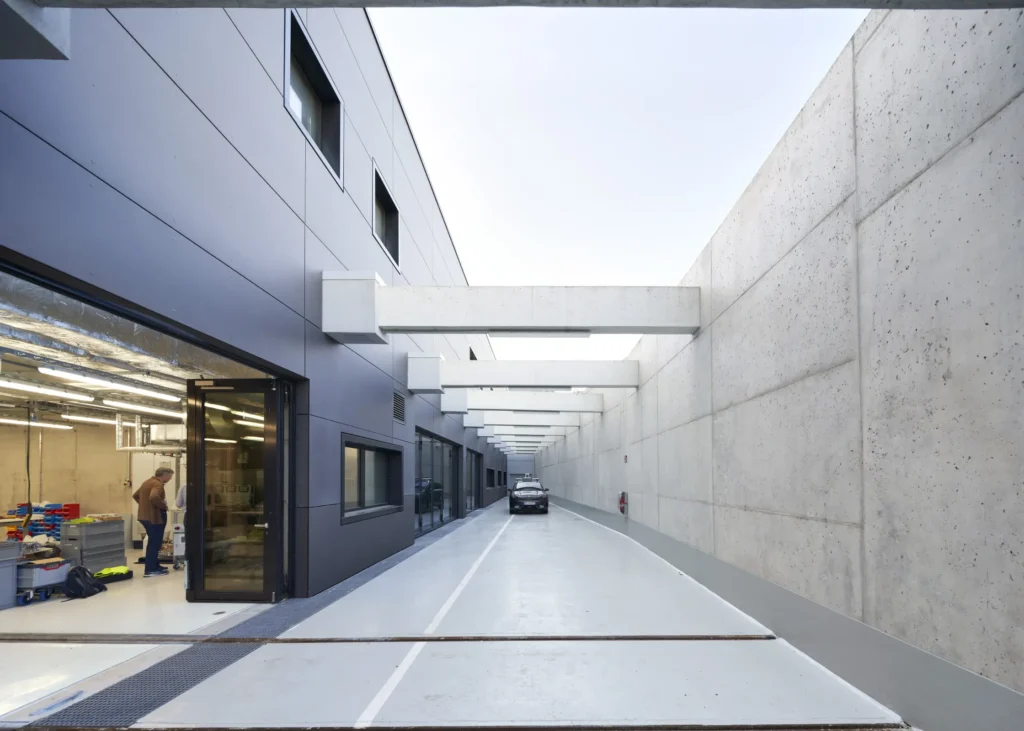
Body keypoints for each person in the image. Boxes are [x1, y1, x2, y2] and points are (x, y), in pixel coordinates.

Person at [133, 467, 173, 577]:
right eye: (170, 476)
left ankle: (155, 565)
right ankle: (150, 569)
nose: (170, 479)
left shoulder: (147, 482)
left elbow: (136, 496)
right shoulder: (158, 484)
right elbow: (154, 496)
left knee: (153, 541)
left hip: (145, 517)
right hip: (154, 518)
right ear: (164, 475)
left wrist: (144, 506)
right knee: (155, 543)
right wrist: (163, 506)